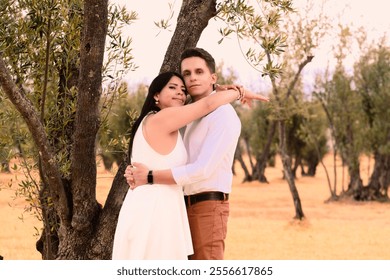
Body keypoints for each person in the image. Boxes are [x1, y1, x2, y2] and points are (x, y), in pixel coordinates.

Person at [126, 48, 269, 260]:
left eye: (199, 72)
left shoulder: (224, 115)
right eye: (187, 74)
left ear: (213, 77)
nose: (192, 78)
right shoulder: (190, 114)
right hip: (180, 207)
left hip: (207, 208)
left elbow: (201, 169)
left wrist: (148, 176)